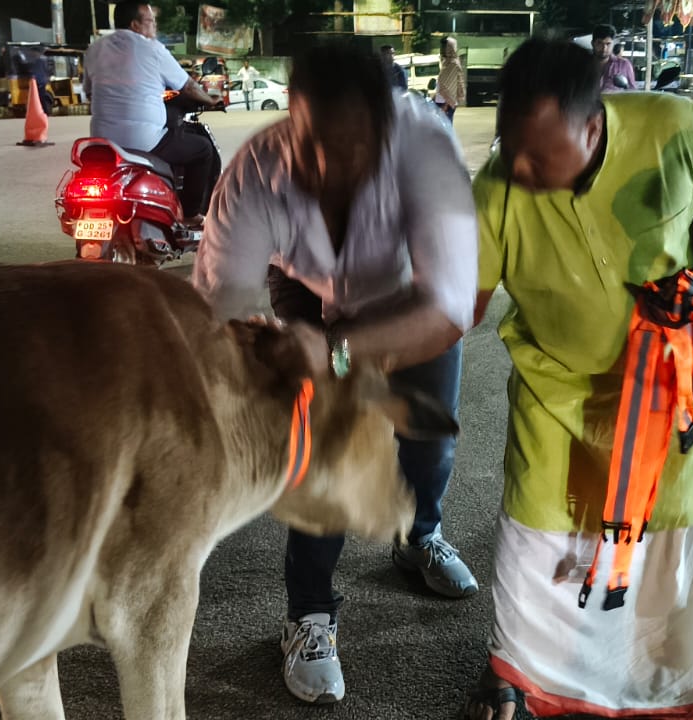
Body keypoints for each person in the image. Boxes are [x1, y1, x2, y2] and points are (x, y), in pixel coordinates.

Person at [465, 36, 693, 720]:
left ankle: (666, 692)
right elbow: (459, 306)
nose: (520, 165)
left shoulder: (675, 128)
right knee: (536, 536)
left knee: (666, 542)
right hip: (557, 393)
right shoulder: (498, 186)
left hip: (669, 389)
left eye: (538, 152)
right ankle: (521, 674)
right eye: (510, 146)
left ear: (592, 126)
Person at [191, 40, 479, 707]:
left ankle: (420, 536)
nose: (330, 165)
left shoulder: (427, 148)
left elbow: (448, 308)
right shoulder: (257, 166)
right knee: (324, 450)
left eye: (354, 147)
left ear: (390, 119)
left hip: (411, 302)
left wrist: (341, 354)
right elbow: (221, 308)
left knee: (429, 442)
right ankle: (309, 612)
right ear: (292, 114)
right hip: (302, 294)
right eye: (315, 141)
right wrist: (282, 362)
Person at [86, 1, 224, 224]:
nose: (154, 28)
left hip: (101, 142)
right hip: (143, 143)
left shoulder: (94, 49)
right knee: (202, 150)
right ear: (136, 25)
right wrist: (211, 100)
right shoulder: (153, 49)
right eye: (151, 22)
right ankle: (190, 214)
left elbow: (89, 90)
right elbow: (187, 86)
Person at [591, 25, 636, 93]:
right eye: (599, 43)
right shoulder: (583, 65)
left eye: (608, 44)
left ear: (613, 44)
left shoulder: (624, 65)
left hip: (615, 103)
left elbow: (632, 92)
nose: (604, 48)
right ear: (592, 43)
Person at [435, 36, 466, 122]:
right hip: (441, 101)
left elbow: (451, 86)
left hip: (446, 103)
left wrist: (446, 104)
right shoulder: (446, 62)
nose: (442, 49)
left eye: (444, 46)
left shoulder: (453, 63)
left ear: (450, 47)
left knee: (445, 128)